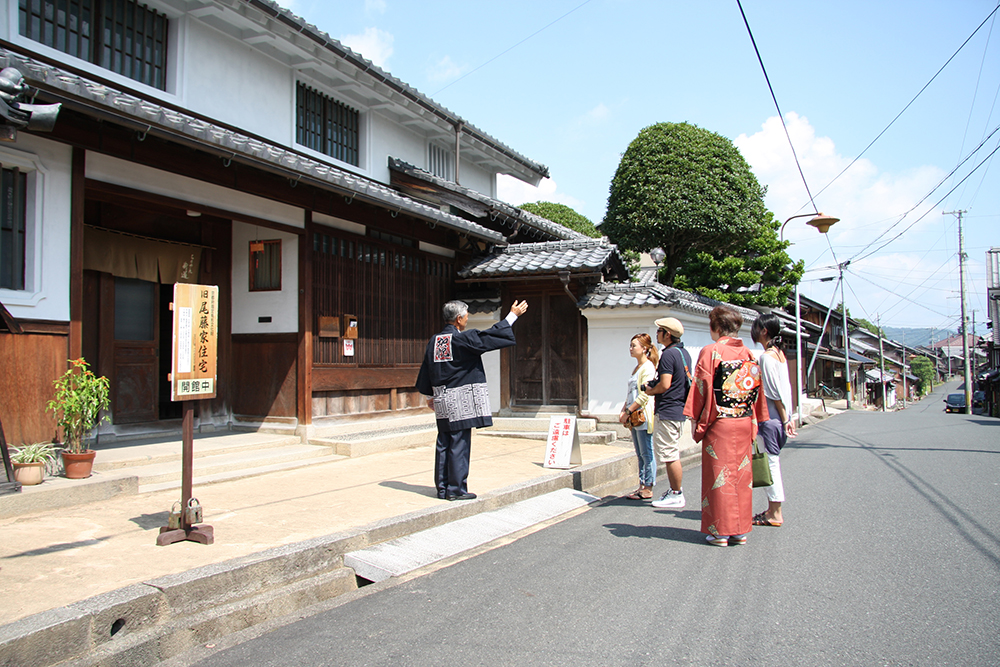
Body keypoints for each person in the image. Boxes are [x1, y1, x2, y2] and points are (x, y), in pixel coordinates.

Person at [416, 299, 529, 501]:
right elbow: (488, 337)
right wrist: (512, 316)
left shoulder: (435, 341)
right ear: (459, 319)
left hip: (442, 398)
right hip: (460, 400)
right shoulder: (460, 340)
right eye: (467, 315)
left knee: (444, 441)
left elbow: (427, 369)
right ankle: (456, 489)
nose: (468, 319)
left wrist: (429, 396)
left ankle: (442, 488)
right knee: (459, 443)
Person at [684, 305, 768, 546]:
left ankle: (720, 532)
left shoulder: (711, 352)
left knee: (718, 475)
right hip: (742, 419)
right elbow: (755, 391)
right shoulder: (750, 354)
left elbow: (702, 386)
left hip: (719, 422)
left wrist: (695, 419)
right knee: (741, 476)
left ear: (717, 328)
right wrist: (755, 418)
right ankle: (740, 531)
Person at [750, 313, 797, 527]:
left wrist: (786, 418)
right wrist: (789, 416)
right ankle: (771, 508)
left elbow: (773, 393)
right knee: (771, 464)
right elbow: (785, 389)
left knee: (770, 465)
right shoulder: (779, 355)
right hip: (779, 418)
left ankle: (775, 512)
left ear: (764, 331)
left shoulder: (766, 357)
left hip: (770, 419)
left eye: (757, 326)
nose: (754, 330)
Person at [643, 317, 692, 509]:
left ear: (667, 334)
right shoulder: (683, 353)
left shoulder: (668, 355)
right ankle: (675, 492)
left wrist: (649, 390)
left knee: (670, 454)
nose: (657, 334)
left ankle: (676, 493)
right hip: (679, 409)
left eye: (660, 331)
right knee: (671, 452)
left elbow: (665, 384)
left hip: (668, 410)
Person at [620, 333, 659, 500]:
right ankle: (642, 484)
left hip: (642, 415)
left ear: (644, 348)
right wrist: (624, 409)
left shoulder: (648, 368)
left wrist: (628, 411)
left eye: (634, 345)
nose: (631, 348)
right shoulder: (637, 368)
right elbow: (631, 392)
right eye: (631, 345)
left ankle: (648, 486)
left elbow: (644, 395)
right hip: (634, 415)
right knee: (640, 451)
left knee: (646, 451)